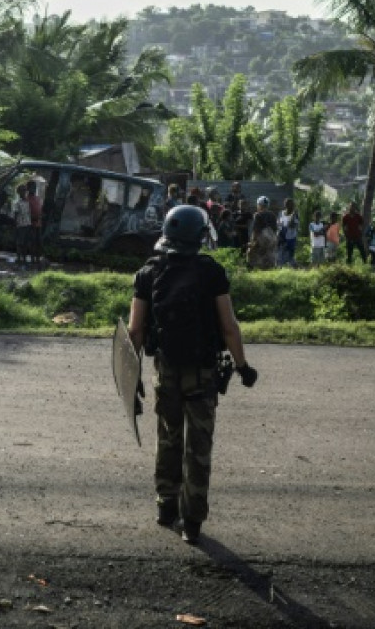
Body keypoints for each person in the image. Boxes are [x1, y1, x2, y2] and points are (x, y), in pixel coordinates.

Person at [126, 204, 257, 545]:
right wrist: (243, 366)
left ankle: (165, 505)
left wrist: (132, 377)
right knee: (198, 448)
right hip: (202, 373)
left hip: (165, 370)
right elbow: (229, 327)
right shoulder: (211, 272)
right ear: (200, 236)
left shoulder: (148, 272)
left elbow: (135, 332)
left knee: (168, 437)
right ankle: (192, 522)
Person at [247, 196, 278, 270]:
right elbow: (275, 229)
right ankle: (270, 271)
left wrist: (253, 242)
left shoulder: (258, 215)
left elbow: (256, 230)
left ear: (259, 205)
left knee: (251, 253)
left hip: (261, 239)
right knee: (269, 256)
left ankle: (255, 271)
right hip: (272, 239)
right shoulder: (273, 215)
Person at [12, 182, 34, 267]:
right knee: (20, 243)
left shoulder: (27, 202)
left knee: (25, 243)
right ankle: (19, 258)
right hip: (20, 225)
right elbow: (15, 215)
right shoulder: (17, 203)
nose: (24, 192)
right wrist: (15, 225)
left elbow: (28, 214)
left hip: (27, 224)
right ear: (19, 192)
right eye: (22, 191)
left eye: (25, 191)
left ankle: (24, 259)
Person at [26, 180, 44, 267]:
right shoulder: (26, 199)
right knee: (32, 242)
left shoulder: (38, 198)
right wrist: (33, 219)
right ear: (28, 188)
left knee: (39, 242)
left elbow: (39, 210)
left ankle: (37, 259)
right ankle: (32, 260)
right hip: (30, 224)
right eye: (32, 187)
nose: (33, 188)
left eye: (35, 187)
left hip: (38, 224)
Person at [277, 198, 299, 267]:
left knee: (290, 254)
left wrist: (293, 216)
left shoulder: (295, 215)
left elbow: (292, 225)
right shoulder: (281, 213)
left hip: (291, 238)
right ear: (285, 205)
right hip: (282, 237)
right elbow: (278, 224)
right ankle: (280, 267)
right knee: (280, 253)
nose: (291, 206)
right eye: (289, 204)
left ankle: (293, 266)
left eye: (292, 205)